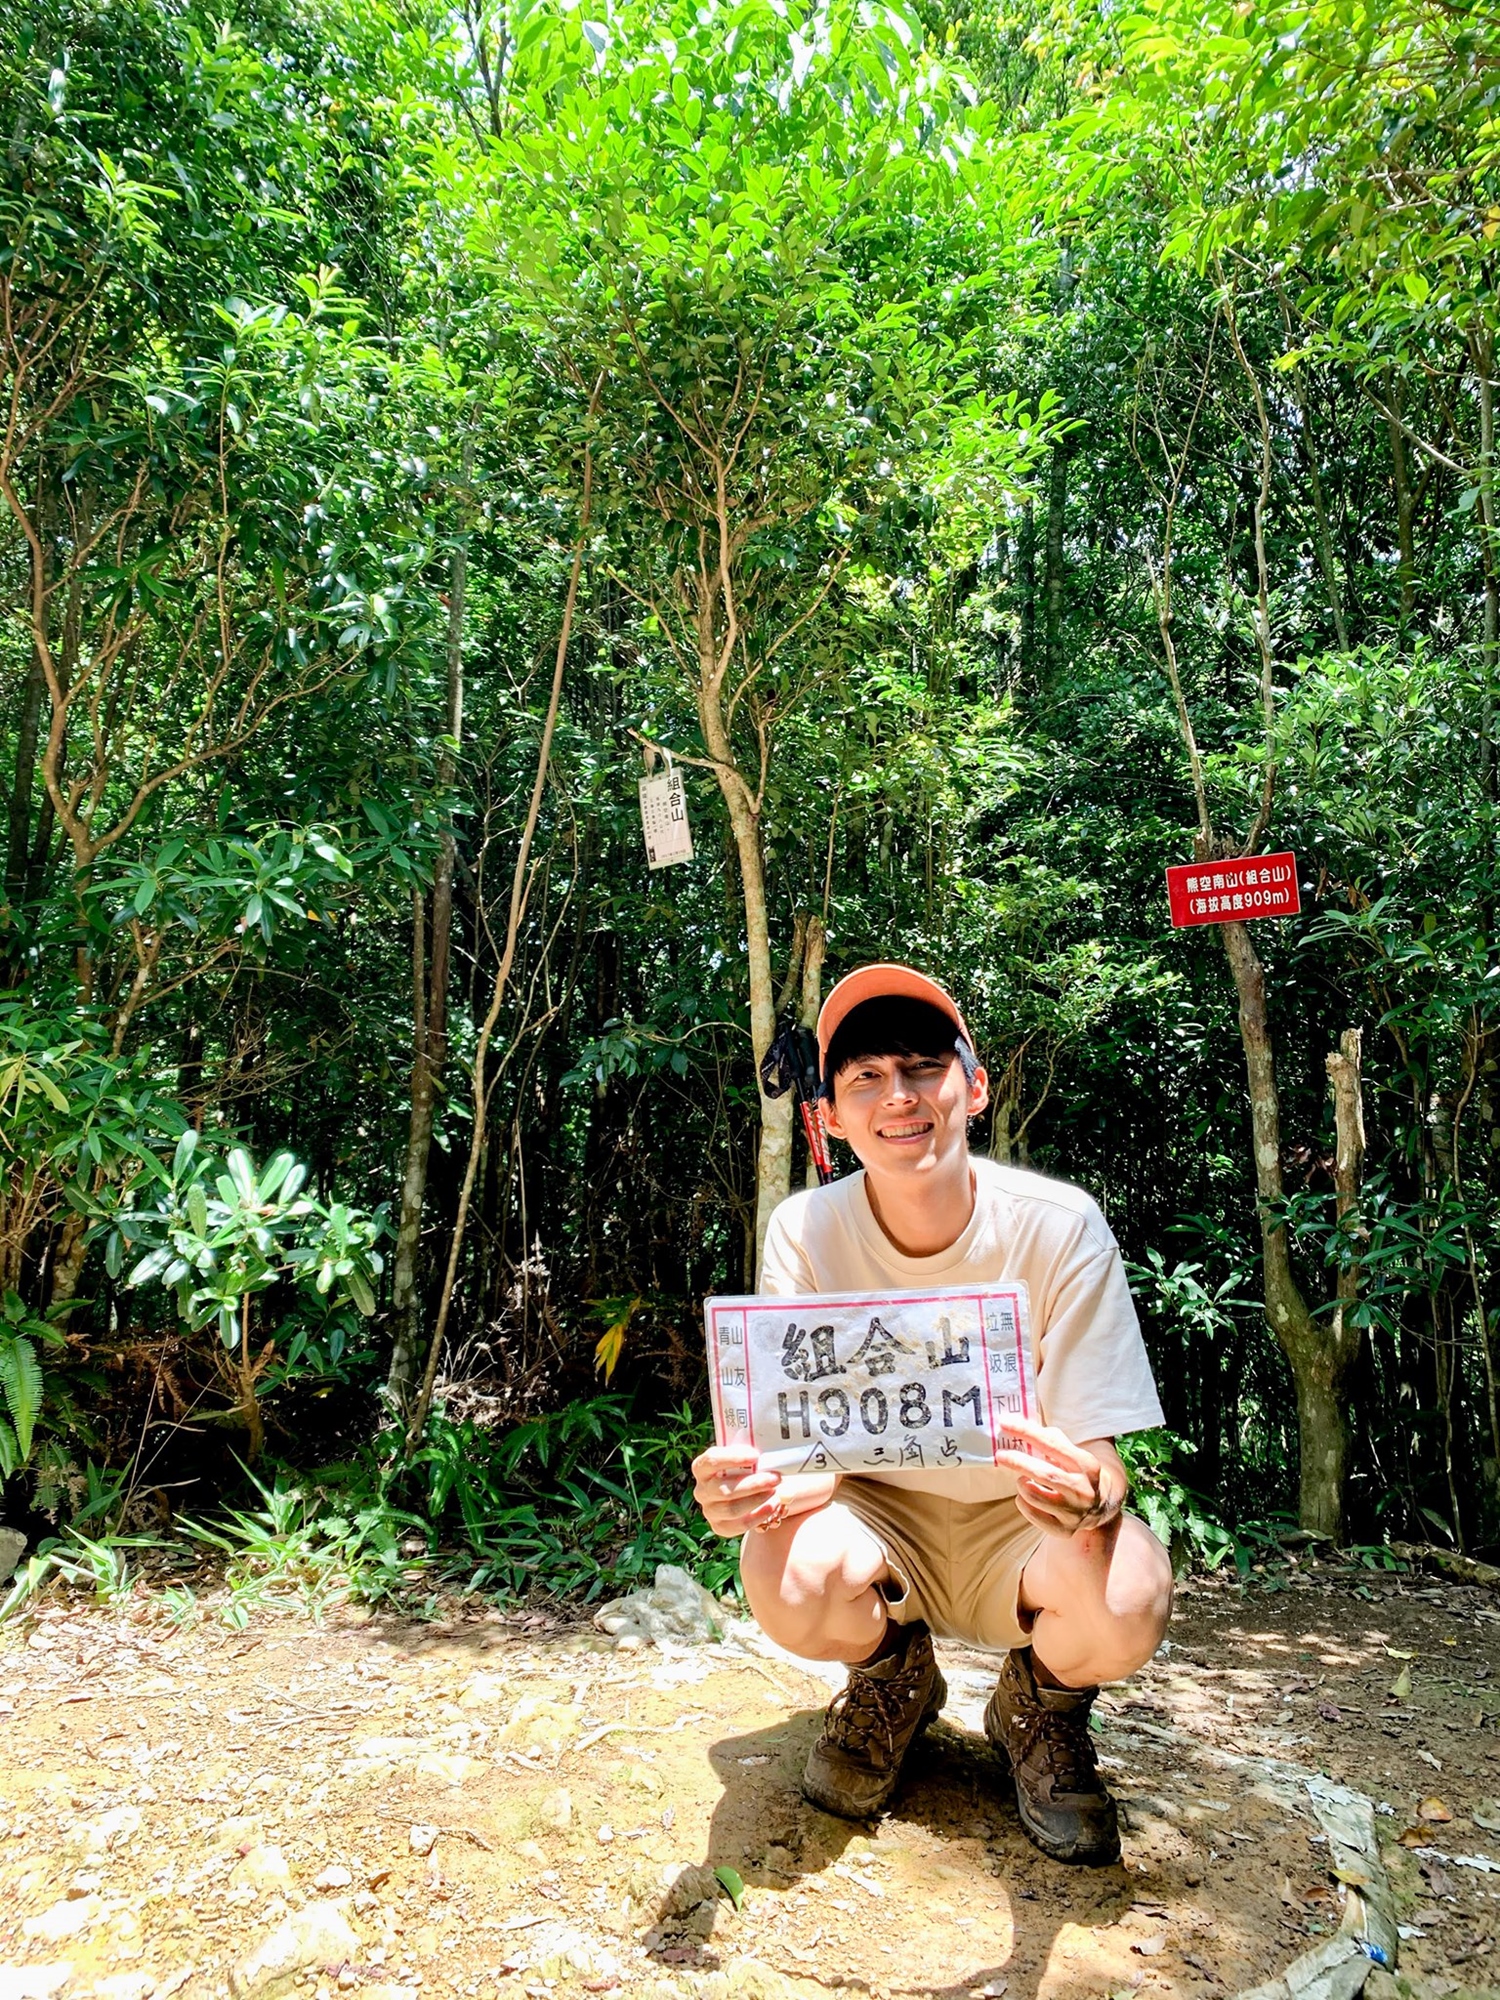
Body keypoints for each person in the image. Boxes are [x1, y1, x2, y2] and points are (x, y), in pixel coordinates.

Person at [691, 964, 1173, 1866]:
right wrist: (749, 1493)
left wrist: (1091, 1497)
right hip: (880, 1521)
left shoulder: (1060, 1226)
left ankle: (1042, 1704)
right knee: (777, 1570)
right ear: (832, 1115)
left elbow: (1100, 1457)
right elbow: (804, 1457)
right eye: (866, 1076)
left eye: (923, 1067)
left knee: (1129, 1591)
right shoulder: (804, 1231)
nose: (899, 1096)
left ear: (973, 1087)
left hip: (1020, 1530)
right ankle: (892, 1679)